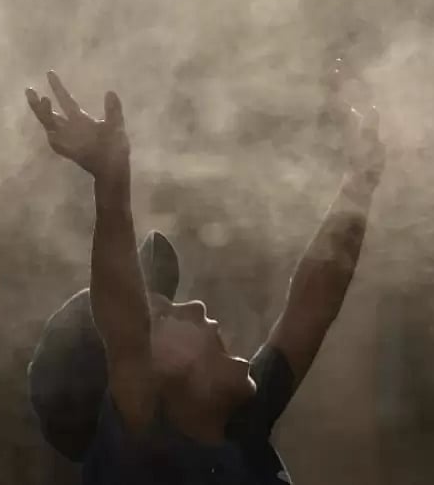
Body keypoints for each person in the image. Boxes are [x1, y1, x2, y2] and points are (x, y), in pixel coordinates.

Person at [24, 69, 385, 484]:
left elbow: (312, 305)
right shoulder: (140, 462)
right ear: (127, 383)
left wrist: (360, 182)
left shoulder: (237, 431)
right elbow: (125, 333)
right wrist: (110, 182)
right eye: (157, 317)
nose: (195, 307)